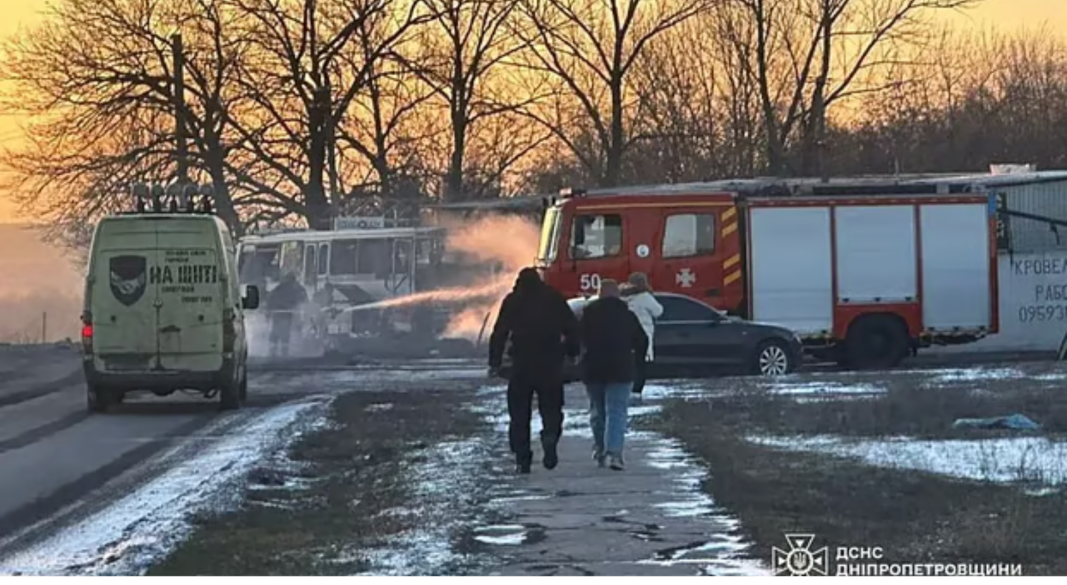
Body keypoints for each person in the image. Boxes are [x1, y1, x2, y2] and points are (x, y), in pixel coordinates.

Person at [488, 267, 580, 474]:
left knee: (519, 414)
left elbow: (500, 332)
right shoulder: (553, 297)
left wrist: (494, 362)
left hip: (521, 363)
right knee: (552, 408)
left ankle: (522, 458)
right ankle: (550, 436)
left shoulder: (513, 300)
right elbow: (571, 327)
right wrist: (572, 352)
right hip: (550, 362)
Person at [579, 279, 648, 471]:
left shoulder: (588, 314)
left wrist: (578, 356)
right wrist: (637, 361)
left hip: (594, 369)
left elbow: (577, 339)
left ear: (600, 294)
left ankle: (600, 448)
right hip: (621, 368)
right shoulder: (628, 315)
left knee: (598, 410)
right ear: (618, 295)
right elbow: (642, 340)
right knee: (617, 411)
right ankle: (614, 453)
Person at [620, 272, 663, 400]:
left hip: (623, 334)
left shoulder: (621, 296)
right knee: (640, 365)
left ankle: (625, 389)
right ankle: (636, 392)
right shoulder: (644, 297)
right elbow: (658, 311)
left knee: (626, 364)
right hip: (642, 333)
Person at [266, 271, 308, 357]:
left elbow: (270, 300)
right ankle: (280, 353)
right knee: (281, 334)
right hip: (284, 315)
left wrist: (268, 313)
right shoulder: (295, 288)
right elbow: (304, 300)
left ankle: (275, 353)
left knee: (278, 333)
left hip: (282, 315)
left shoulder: (280, 288)